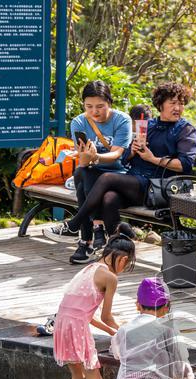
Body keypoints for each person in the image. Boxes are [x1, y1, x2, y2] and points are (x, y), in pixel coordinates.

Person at [45, 82, 196, 265]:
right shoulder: (147, 126)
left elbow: (185, 165)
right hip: (134, 180)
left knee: (106, 178)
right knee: (104, 194)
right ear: (160, 104)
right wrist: (133, 151)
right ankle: (115, 248)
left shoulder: (185, 130)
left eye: (181, 103)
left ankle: (76, 226)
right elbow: (125, 159)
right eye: (173, 103)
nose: (178, 108)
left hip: (157, 186)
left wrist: (152, 159)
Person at [52, 223, 137, 379]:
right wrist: (125, 331)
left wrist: (110, 331)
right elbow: (106, 316)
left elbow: (82, 313)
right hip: (76, 327)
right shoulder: (110, 277)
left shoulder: (89, 268)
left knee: (77, 377)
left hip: (61, 323)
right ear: (122, 260)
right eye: (127, 265)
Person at [45, 81, 132, 261]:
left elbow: (116, 154)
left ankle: (83, 240)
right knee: (81, 173)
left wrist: (96, 157)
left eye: (100, 106)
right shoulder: (78, 122)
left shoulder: (122, 120)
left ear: (110, 103)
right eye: (89, 106)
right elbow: (83, 163)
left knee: (84, 177)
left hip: (118, 176)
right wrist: (86, 157)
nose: (95, 111)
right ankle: (91, 233)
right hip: (91, 174)